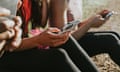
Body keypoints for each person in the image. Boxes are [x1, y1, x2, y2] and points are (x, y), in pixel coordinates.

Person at [0, 0, 81, 72]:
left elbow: (41, 23)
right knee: (58, 56)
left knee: (67, 41)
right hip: (5, 55)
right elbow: (6, 45)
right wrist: (37, 40)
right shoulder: (8, 2)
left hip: (20, 44)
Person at [50, 0, 120, 72]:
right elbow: (61, 40)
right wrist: (90, 24)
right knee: (110, 40)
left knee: (114, 34)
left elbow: (76, 26)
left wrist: (94, 19)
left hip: (75, 39)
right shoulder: (59, 2)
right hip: (66, 47)